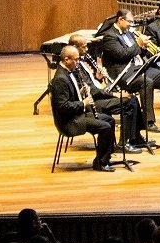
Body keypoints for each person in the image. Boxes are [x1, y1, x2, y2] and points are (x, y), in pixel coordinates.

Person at [97, 8, 160, 132]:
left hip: (138, 68)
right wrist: (138, 44)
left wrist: (146, 47)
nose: (131, 25)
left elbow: (137, 53)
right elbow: (122, 55)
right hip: (122, 73)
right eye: (129, 22)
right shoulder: (110, 36)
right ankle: (148, 121)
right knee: (146, 82)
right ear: (120, 20)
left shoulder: (129, 33)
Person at [51, 44, 119, 172]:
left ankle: (105, 157)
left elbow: (71, 96)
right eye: (75, 60)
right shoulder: (60, 79)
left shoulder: (69, 72)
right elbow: (62, 106)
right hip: (70, 121)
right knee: (105, 127)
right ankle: (101, 163)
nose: (78, 62)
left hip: (77, 114)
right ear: (66, 60)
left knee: (109, 120)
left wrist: (82, 91)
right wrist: (84, 103)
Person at [71, 33, 145, 149]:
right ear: (75, 47)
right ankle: (123, 144)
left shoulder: (81, 62)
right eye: (84, 47)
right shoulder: (75, 67)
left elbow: (92, 84)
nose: (87, 49)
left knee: (133, 98)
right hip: (92, 103)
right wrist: (115, 94)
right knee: (129, 102)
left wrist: (98, 77)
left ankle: (135, 137)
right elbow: (92, 91)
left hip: (97, 95)